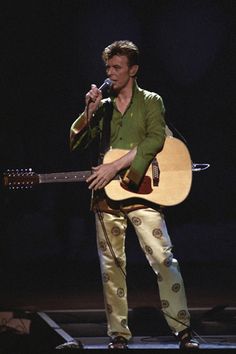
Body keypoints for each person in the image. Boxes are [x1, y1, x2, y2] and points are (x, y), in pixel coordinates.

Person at [70, 40, 199, 350]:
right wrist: (88, 111)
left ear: (133, 70)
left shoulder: (151, 101)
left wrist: (116, 165)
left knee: (163, 258)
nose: (110, 74)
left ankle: (182, 330)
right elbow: (75, 142)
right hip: (107, 196)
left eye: (117, 68)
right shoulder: (103, 107)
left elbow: (155, 139)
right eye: (108, 68)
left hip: (142, 192)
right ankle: (118, 335)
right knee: (111, 266)